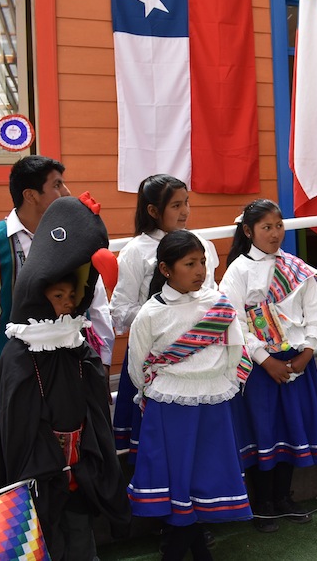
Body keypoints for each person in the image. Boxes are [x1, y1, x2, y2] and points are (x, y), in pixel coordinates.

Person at [0, 194, 130, 561]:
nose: (67, 302)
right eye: (57, 295)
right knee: (47, 538)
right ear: (38, 293)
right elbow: (18, 426)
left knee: (81, 538)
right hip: (43, 473)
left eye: (72, 294)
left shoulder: (76, 345)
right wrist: (47, 464)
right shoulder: (20, 355)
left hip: (79, 468)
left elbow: (94, 407)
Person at [0, 157, 114, 454]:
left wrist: (102, 362)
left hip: (73, 371)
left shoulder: (75, 238)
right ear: (30, 195)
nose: (67, 192)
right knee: (23, 459)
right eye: (56, 185)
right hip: (14, 378)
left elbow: (97, 304)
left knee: (83, 456)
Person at [127, 230, 251, 560]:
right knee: (180, 481)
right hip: (170, 409)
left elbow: (236, 352)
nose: (200, 270)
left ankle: (188, 552)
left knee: (202, 480)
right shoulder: (150, 314)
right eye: (190, 263)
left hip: (213, 404)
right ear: (165, 269)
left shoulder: (218, 305)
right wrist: (163, 392)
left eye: (202, 262)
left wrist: (217, 383)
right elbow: (137, 366)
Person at [219, 199, 317, 533]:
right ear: (248, 230)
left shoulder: (297, 268)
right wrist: (266, 360)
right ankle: (263, 504)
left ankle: (284, 497)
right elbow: (234, 323)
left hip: (298, 363)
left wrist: (308, 352)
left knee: (290, 430)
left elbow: (315, 314)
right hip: (261, 370)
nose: (275, 233)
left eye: (279, 225)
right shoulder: (238, 271)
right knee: (263, 433)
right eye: (266, 227)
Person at [110, 174, 219, 459]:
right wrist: (163, 315)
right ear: (153, 210)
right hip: (153, 358)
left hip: (198, 355)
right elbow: (120, 310)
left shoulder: (201, 244)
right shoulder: (136, 251)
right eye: (175, 205)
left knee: (200, 441)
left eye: (187, 203)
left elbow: (213, 297)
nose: (184, 211)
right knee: (157, 443)